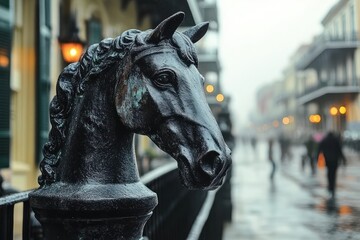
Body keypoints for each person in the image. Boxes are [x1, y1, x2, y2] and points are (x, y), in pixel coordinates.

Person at [317, 132, 346, 199]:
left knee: (329, 173)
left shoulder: (325, 140)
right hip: (335, 160)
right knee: (334, 174)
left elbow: (319, 149)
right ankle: (332, 188)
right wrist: (343, 159)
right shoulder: (336, 140)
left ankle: (330, 187)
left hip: (328, 160)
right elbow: (340, 150)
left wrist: (317, 158)